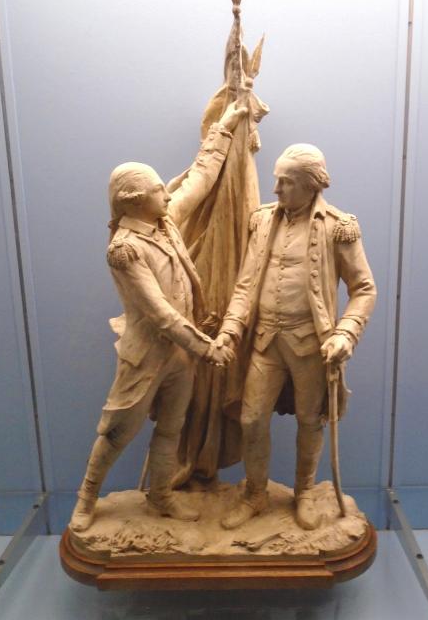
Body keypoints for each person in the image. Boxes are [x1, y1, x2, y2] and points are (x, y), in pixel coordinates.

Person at [69, 104, 246, 532]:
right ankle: (86, 499)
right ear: (133, 201)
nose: (167, 193)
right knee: (117, 432)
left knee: (172, 427)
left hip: (179, 358)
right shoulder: (124, 250)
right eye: (156, 190)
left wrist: (224, 128)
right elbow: (161, 314)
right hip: (146, 357)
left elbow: (200, 179)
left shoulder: (165, 223)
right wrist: (207, 348)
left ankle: (161, 495)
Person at [215, 144, 376, 530]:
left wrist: (346, 333)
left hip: (311, 345)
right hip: (264, 340)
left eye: (286, 182)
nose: (276, 189)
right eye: (277, 180)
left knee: (310, 420)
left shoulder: (338, 227)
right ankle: (255, 493)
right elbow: (245, 284)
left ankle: (304, 492)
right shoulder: (262, 221)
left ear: (310, 185)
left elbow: (364, 289)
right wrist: (230, 328)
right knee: (252, 419)